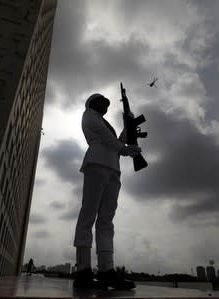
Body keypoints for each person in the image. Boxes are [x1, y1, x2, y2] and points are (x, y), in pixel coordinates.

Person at [73, 93, 141, 290]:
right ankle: (83, 271)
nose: (106, 105)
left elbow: (116, 141)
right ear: (92, 103)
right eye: (102, 101)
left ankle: (106, 270)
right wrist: (124, 149)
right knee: (88, 215)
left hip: (113, 168)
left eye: (107, 103)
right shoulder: (89, 115)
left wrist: (128, 130)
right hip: (96, 163)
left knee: (106, 220)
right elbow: (107, 139)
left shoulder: (103, 122)